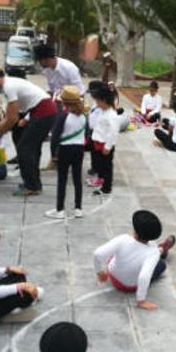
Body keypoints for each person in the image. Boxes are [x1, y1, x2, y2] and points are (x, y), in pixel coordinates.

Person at [0, 63, 58, 197]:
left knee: (25, 148)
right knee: (28, 146)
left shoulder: (8, 86)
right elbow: (10, 113)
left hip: (43, 112)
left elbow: (12, 118)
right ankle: (33, 183)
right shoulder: (8, 84)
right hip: (37, 111)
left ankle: (32, 186)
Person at [94, 210, 176, 310]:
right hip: (129, 286)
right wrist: (141, 300)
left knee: (117, 253)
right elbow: (143, 277)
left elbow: (98, 253)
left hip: (112, 274)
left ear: (135, 230)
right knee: (161, 264)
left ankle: (162, 249)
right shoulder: (152, 253)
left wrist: (100, 272)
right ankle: (162, 249)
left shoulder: (123, 238)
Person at [36, 45, 84, 168]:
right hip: (57, 101)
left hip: (73, 101)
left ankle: (64, 159)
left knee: (67, 131)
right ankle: (55, 159)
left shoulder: (69, 67)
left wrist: (76, 109)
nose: (39, 63)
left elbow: (79, 90)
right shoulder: (47, 70)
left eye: (40, 60)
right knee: (55, 131)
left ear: (46, 59)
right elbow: (51, 89)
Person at [45, 86, 87, 220]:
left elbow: (55, 136)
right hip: (79, 149)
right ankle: (78, 208)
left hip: (65, 149)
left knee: (62, 180)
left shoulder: (63, 116)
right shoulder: (84, 116)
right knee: (77, 179)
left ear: (65, 102)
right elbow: (87, 133)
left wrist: (53, 154)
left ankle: (60, 209)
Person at [88, 85, 119, 196]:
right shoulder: (102, 111)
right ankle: (101, 181)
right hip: (97, 142)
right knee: (100, 165)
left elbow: (113, 132)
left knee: (107, 166)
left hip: (105, 144)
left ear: (105, 100)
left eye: (98, 101)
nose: (97, 104)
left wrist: (108, 146)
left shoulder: (112, 115)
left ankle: (107, 187)